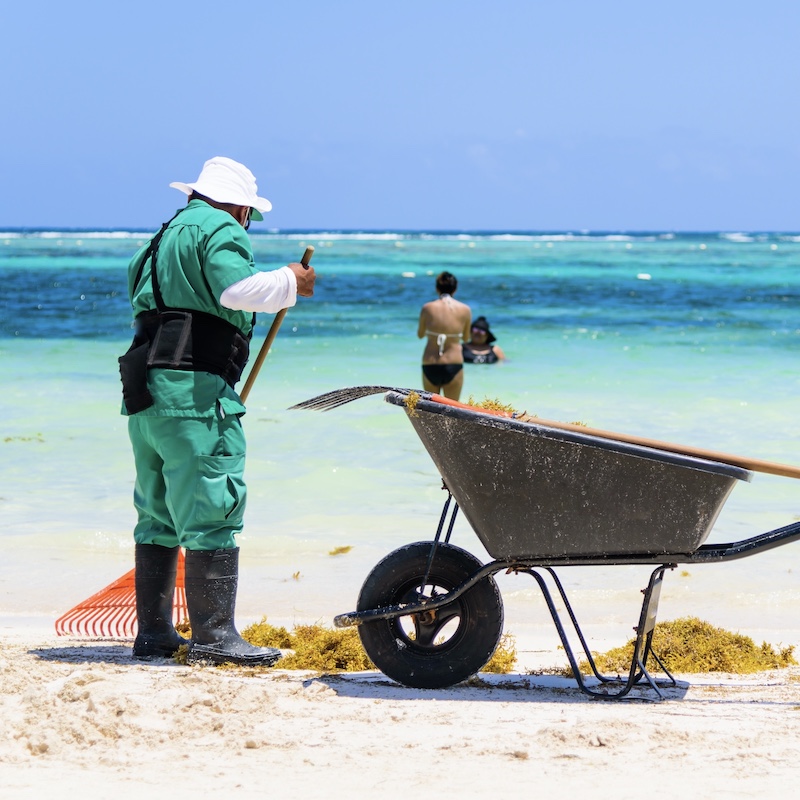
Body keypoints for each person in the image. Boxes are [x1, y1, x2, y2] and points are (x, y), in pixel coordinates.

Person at [118, 156, 316, 666]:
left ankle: (155, 634)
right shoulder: (221, 227)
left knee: (157, 512)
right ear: (236, 205)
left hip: (145, 392)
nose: (247, 222)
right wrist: (291, 281)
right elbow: (238, 290)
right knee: (213, 507)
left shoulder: (159, 239)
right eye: (248, 213)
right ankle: (214, 636)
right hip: (194, 394)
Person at [417, 271, 471, 400]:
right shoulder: (465, 309)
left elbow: (420, 334)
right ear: (455, 289)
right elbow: (465, 338)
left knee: (431, 410)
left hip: (430, 362)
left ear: (437, 288)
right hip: (454, 362)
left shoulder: (427, 308)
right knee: (452, 411)